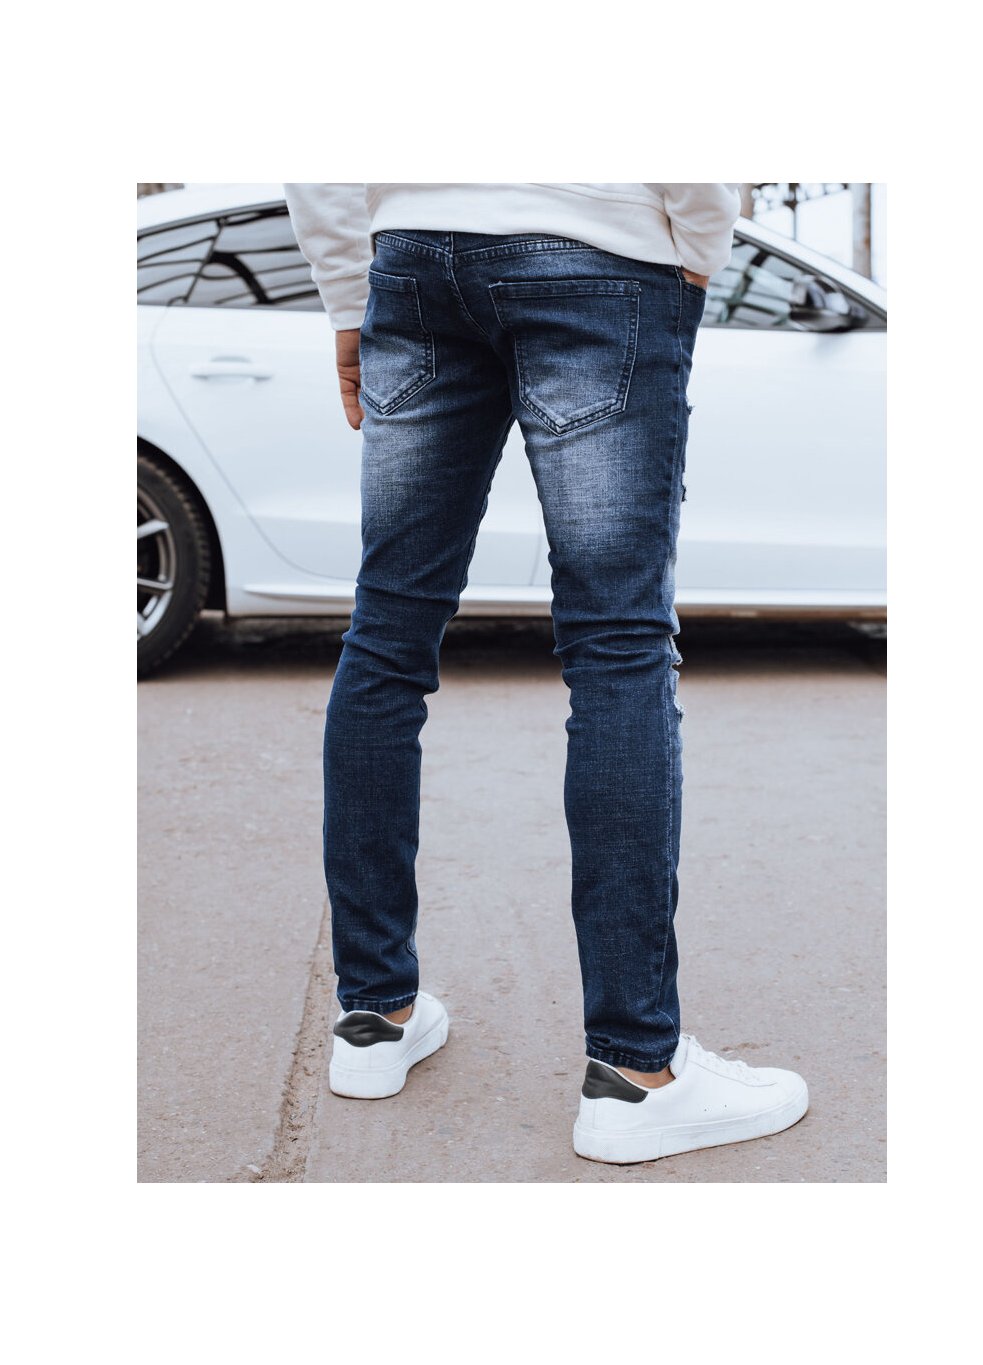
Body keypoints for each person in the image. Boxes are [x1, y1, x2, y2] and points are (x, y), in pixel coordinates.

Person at [284, 183, 809, 1164]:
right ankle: (635, 1072)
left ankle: (373, 1018)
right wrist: (694, 253)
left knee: (387, 632)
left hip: (413, 254)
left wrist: (350, 292)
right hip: (598, 247)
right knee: (617, 648)